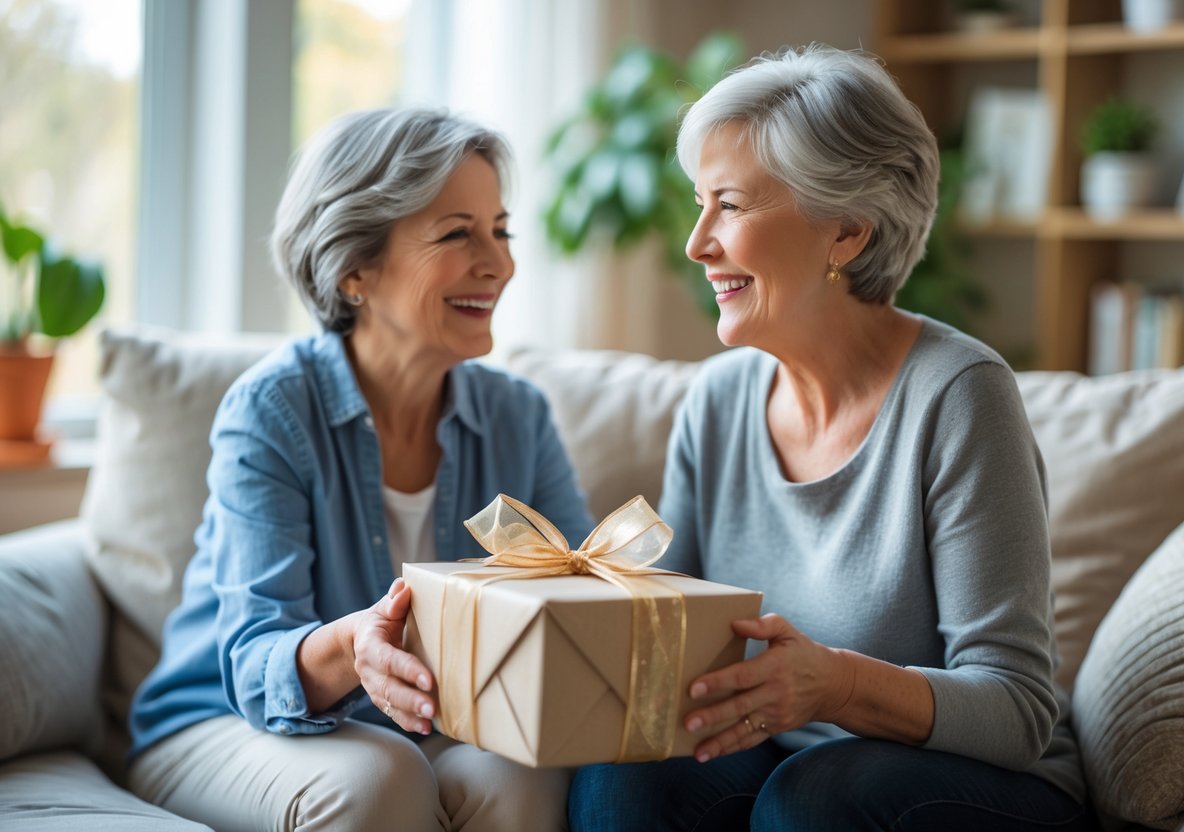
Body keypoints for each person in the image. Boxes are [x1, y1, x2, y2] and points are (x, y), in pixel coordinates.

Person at [568, 44, 1091, 831]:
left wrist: (836, 685)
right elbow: (663, 638)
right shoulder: (717, 400)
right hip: (792, 757)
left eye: (731, 206)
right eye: (698, 204)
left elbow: (1015, 711)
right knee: (626, 778)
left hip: (979, 787)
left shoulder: (958, 395)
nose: (697, 242)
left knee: (810, 798)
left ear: (844, 231)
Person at [127, 108, 595, 832]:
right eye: (457, 233)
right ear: (353, 270)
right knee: (379, 777)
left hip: (426, 724)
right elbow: (254, 663)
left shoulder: (518, 416)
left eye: (499, 230)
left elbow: (579, 602)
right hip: (225, 722)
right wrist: (356, 645)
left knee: (517, 776)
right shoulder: (271, 410)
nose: (498, 263)